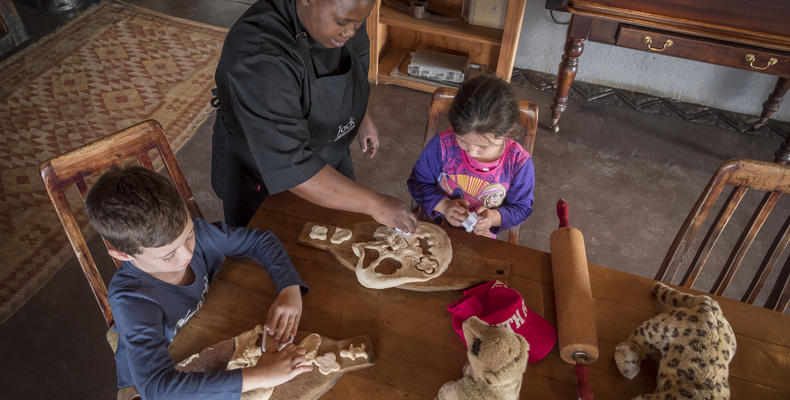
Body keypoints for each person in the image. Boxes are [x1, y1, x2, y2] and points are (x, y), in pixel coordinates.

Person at [85, 166, 312, 400]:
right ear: (124, 256)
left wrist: (289, 289)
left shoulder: (199, 236)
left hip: (202, 335)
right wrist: (261, 375)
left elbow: (260, 241)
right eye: (168, 255)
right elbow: (156, 388)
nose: (187, 255)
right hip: (150, 383)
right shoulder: (133, 299)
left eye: (189, 235)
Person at [211, 0, 416, 233]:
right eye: (343, 23)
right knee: (276, 254)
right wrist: (376, 204)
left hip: (329, 152)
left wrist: (361, 115)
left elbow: (353, 65)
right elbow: (292, 165)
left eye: (359, 23)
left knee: (337, 234)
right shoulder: (259, 55)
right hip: (268, 175)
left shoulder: (347, 12)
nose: (350, 32)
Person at [407, 74, 535, 237]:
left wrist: (494, 217)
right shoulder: (442, 146)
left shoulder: (518, 163)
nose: (471, 151)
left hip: (482, 238)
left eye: (482, 146)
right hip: (437, 228)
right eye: (462, 141)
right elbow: (417, 183)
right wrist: (445, 206)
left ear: (507, 132)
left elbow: (521, 208)